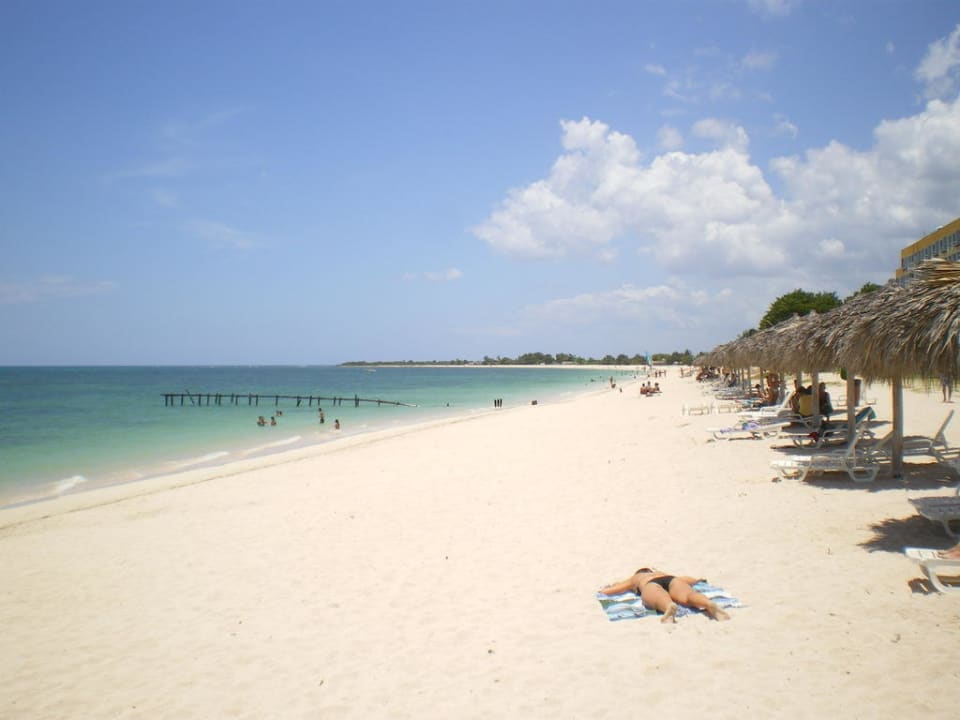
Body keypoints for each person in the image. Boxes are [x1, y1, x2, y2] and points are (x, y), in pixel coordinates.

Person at [599, 567, 730, 623]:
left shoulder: (637, 578)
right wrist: (698, 580)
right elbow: (688, 579)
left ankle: (668, 607)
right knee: (688, 595)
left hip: (650, 584)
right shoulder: (661, 572)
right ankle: (707, 603)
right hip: (671, 578)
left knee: (658, 597)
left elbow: (611, 591)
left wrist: (605, 589)